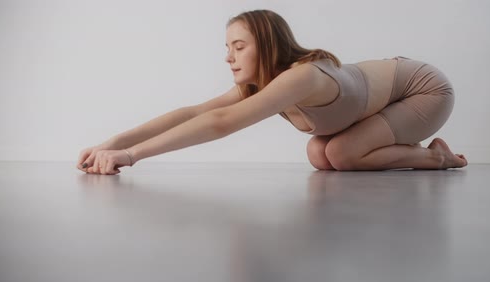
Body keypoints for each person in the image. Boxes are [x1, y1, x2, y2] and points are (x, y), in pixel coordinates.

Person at [76, 9, 467, 175]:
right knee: (321, 153)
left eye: (239, 46)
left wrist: (130, 156)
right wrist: (113, 141)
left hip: (423, 90)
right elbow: (195, 112)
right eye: (227, 48)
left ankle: (438, 159)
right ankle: (421, 154)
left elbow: (221, 122)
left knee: (342, 153)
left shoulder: (301, 77)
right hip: (382, 98)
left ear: (268, 44)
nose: (229, 57)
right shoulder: (263, 83)